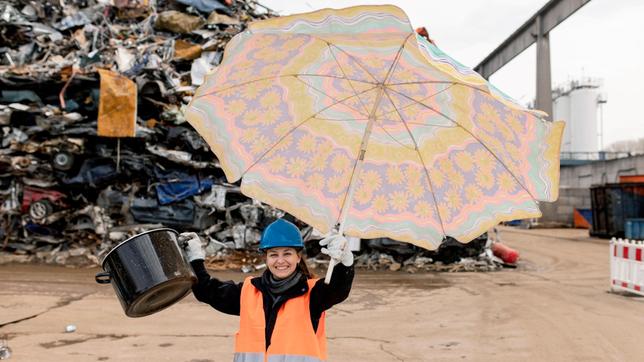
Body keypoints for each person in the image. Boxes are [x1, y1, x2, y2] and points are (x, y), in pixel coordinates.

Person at [179, 218, 354, 362]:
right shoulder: (249, 291)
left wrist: (345, 262)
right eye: (273, 254)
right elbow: (208, 292)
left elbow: (337, 289)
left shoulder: (313, 294)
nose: (280, 261)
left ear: (298, 256)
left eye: (287, 253)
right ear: (266, 257)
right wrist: (195, 258)